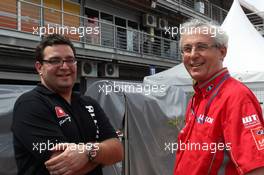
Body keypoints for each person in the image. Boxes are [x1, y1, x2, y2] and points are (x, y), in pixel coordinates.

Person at [12, 34, 123, 175]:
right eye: (54, 60)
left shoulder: (89, 103)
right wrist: (102, 153)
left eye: (70, 60)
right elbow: (64, 167)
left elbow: (118, 151)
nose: (64, 67)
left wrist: (87, 151)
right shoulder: (30, 105)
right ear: (39, 67)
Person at [174, 19, 264, 175]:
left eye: (201, 47)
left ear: (222, 52)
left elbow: (256, 168)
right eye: (187, 49)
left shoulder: (236, 97)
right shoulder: (197, 97)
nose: (193, 55)